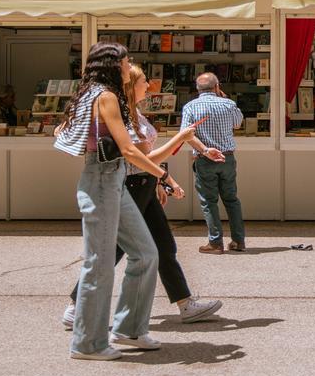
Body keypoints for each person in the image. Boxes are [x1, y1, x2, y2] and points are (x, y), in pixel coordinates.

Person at [62, 64, 224, 329]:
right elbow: (141, 159)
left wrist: (160, 180)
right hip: (133, 185)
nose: (148, 85)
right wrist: (180, 139)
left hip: (143, 185)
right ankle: (76, 306)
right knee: (115, 249)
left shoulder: (133, 113)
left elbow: (145, 161)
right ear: (131, 85)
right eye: (144, 81)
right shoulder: (123, 116)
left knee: (163, 246)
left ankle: (185, 304)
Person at [54, 41, 186, 361]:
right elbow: (129, 150)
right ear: (113, 65)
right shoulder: (106, 95)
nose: (130, 67)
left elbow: (62, 129)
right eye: (126, 62)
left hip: (111, 180)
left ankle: (128, 328)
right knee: (98, 265)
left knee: (145, 253)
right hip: (102, 180)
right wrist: (165, 177)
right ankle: (87, 343)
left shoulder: (93, 94)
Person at [181, 73, 246, 254]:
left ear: (198, 88)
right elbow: (238, 124)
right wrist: (226, 99)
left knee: (209, 202)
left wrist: (203, 150)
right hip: (227, 158)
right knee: (231, 199)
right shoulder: (228, 104)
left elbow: (186, 135)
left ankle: (215, 242)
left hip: (205, 159)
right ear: (217, 87)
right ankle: (238, 241)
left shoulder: (190, 106)